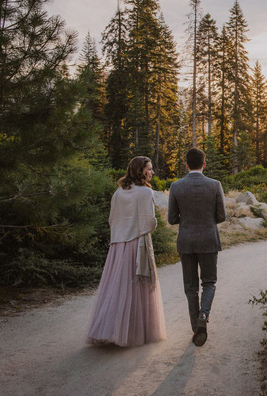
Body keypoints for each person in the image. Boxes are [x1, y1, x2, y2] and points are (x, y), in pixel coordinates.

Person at [86, 156, 167, 347]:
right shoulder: (146, 193)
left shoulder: (118, 192)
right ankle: (134, 332)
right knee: (137, 286)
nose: (152, 172)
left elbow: (111, 219)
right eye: (149, 168)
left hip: (117, 245)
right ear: (141, 171)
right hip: (136, 243)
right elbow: (149, 222)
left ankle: (108, 329)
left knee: (116, 287)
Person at [168, 148, 226, 346]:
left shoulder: (176, 186)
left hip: (186, 241)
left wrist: (188, 220)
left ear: (186, 165)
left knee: (190, 287)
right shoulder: (215, 185)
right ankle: (204, 314)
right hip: (209, 240)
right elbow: (222, 216)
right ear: (204, 164)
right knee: (209, 282)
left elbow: (171, 218)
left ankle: (196, 327)